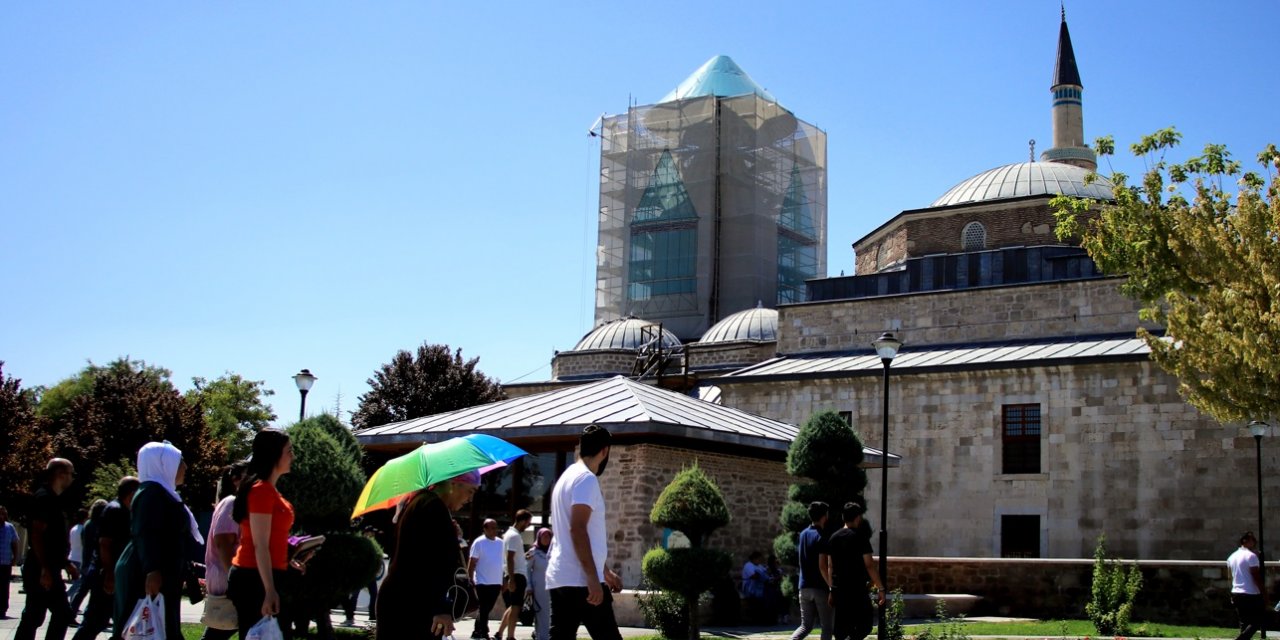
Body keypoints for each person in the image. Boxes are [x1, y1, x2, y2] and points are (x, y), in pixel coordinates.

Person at [376, 470, 481, 640]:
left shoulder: (420, 501)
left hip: (403, 599)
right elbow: (430, 564)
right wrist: (440, 607)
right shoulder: (433, 507)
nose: (470, 499)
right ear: (453, 484)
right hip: (413, 604)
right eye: (471, 491)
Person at [114, 442, 204, 640]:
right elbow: (146, 532)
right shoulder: (150, 494)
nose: (185, 467)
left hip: (158, 571)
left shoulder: (161, 492)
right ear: (163, 463)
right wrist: (152, 569)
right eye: (180, 461)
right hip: (146, 572)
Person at [545, 424, 624, 640]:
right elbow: (578, 529)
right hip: (581, 580)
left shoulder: (566, 477)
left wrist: (604, 571)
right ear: (605, 451)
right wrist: (592, 577)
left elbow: (581, 531)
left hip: (562, 576)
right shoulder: (586, 479)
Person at [228, 430, 295, 640]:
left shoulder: (269, 491)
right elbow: (260, 544)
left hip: (267, 574)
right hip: (254, 578)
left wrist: (291, 557)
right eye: (289, 451)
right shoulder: (261, 491)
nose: (293, 457)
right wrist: (269, 590)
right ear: (274, 454)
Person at [15, 458, 79, 640]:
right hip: (42, 568)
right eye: (71, 474)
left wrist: (66, 563)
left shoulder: (53, 499)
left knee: (37, 616)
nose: (73, 478)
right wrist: (44, 569)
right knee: (53, 614)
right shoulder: (44, 498)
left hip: (48, 567)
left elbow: (53, 539)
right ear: (61, 475)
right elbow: (36, 535)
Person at [71, 476, 139, 640]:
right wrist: (109, 574)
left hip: (113, 574)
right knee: (95, 621)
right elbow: (105, 543)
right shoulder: (115, 511)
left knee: (116, 622)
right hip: (106, 574)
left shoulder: (121, 510)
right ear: (131, 494)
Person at [200, 462, 248, 640]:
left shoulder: (236, 504)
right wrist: (234, 577)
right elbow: (223, 544)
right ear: (236, 480)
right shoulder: (232, 503)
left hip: (231, 576)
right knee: (221, 629)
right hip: (228, 578)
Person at [827, 502, 884, 640]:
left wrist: (830, 589)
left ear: (843, 517)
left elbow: (830, 566)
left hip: (839, 588)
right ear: (858, 518)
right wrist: (880, 587)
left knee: (841, 629)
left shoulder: (833, 538)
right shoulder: (860, 537)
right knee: (865, 625)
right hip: (857, 589)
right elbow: (869, 565)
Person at [790, 501, 833, 640]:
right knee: (827, 627)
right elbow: (822, 566)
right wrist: (831, 587)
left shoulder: (803, 534)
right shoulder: (822, 537)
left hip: (803, 586)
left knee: (805, 626)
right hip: (820, 587)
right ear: (824, 516)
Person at [495, 510, 534, 640]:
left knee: (513, 606)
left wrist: (523, 557)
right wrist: (511, 579)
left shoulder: (511, 534)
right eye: (528, 522)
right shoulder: (514, 536)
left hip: (515, 573)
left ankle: (500, 633)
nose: (528, 525)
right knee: (516, 607)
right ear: (522, 521)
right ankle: (510, 636)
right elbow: (510, 558)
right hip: (516, 575)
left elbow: (513, 557)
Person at [68, 501, 107, 625]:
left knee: (83, 591)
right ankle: (76, 614)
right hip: (92, 562)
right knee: (85, 591)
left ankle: (75, 614)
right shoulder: (96, 525)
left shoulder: (88, 524)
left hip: (87, 561)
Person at [469, 518, 505, 640]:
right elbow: (472, 561)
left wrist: (504, 580)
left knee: (487, 608)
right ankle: (484, 632)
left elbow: (504, 562)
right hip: (482, 581)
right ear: (485, 529)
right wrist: (470, 578)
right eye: (492, 528)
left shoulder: (501, 543)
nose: (495, 530)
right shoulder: (479, 542)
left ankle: (477, 631)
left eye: (496, 527)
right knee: (484, 608)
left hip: (496, 581)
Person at [1228, 531, 1266, 640]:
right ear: (1245, 541)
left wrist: (1231, 592)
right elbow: (1256, 577)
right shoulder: (1251, 556)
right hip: (1251, 593)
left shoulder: (1231, 557)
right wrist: (1264, 593)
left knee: (1244, 622)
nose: (1254, 543)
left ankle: (1243, 638)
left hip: (1236, 592)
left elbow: (1230, 577)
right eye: (1252, 541)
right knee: (1259, 619)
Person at [343, 525, 382, 626]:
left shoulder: (374, 544)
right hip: (360, 573)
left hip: (370, 573)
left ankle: (372, 616)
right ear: (366, 533)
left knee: (374, 594)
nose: (373, 534)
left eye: (373, 533)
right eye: (371, 532)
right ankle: (349, 617)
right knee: (354, 595)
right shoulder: (361, 543)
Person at [526, 528, 553, 640]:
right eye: (544, 537)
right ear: (539, 538)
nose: (546, 539)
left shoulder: (554, 551)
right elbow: (527, 570)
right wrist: (529, 586)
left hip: (552, 587)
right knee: (541, 613)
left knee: (551, 613)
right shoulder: (533, 552)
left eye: (548, 537)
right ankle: (541, 636)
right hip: (538, 588)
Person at [65, 508, 88, 621]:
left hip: (72, 555)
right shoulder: (83, 529)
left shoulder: (73, 529)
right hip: (79, 558)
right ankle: (66, 596)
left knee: (76, 582)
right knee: (78, 584)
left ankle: (71, 604)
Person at [1, 504, 22, 619]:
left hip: (5, 563)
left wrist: (15, 558)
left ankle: (2, 609)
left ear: (5, 515)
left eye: (2, 513)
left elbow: (14, 543)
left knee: (4, 587)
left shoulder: (10, 527)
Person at [741, 551, 770, 624]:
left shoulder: (759, 566)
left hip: (760, 587)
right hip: (750, 587)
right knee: (756, 601)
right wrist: (761, 575)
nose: (760, 561)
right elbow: (753, 576)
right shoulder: (748, 565)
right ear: (754, 558)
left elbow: (766, 573)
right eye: (759, 559)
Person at [765, 554, 787, 624]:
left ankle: (783, 617)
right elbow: (769, 580)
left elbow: (783, 577)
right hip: (770, 590)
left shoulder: (779, 570)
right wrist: (777, 578)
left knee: (782, 601)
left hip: (778, 589)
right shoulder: (767, 570)